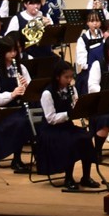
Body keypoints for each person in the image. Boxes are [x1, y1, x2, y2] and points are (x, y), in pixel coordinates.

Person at [36, 62, 100, 190]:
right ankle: (68, 178)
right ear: (57, 77)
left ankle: (86, 177)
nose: (69, 80)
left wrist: (79, 108)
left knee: (86, 138)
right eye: (66, 77)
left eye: (71, 77)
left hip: (66, 127)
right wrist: (69, 114)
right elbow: (51, 118)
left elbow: (75, 110)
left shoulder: (72, 89)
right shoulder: (47, 93)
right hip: (51, 131)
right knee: (70, 141)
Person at [0, 40, 33, 169]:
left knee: (36, 120)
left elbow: (32, 92)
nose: (13, 54)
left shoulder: (22, 68)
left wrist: (26, 86)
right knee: (22, 122)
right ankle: (16, 159)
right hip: (2, 112)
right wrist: (12, 94)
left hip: (19, 108)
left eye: (15, 51)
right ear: (2, 52)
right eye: (10, 51)